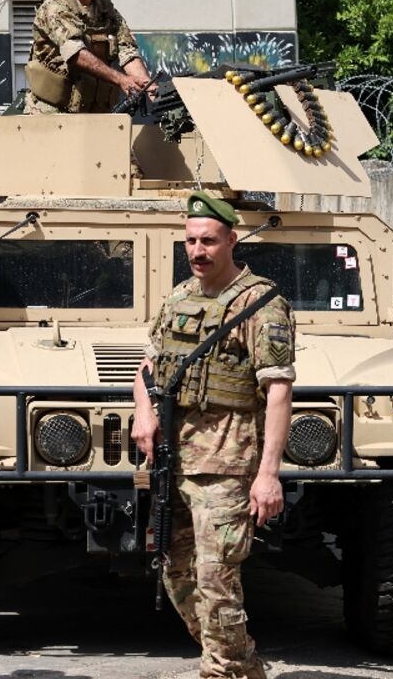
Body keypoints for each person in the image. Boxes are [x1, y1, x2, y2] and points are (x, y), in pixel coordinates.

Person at [130, 192, 294, 679]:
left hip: (227, 466)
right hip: (173, 460)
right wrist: (143, 413)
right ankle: (243, 667)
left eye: (208, 241)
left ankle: (220, 672)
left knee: (216, 580)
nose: (198, 251)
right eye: (191, 241)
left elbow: (280, 393)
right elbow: (148, 366)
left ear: (231, 241)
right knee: (177, 575)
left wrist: (268, 477)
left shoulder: (261, 303)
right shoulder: (179, 297)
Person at [24, 0, 151, 115]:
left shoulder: (108, 13)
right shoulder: (55, 7)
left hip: (94, 114)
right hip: (51, 114)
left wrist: (148, 86)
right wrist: (122, 80)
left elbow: (128, 51)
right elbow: (75, 52)